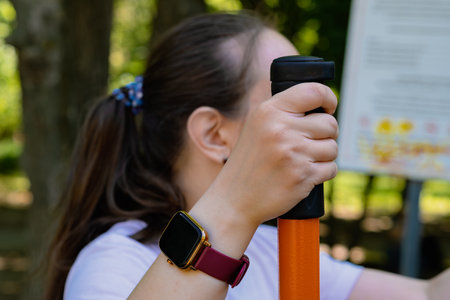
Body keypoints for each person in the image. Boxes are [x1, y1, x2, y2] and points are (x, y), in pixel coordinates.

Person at [44, 12, 449, 300]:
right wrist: (235, 202)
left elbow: (429, 295)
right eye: (283, 98)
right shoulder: (115, 263)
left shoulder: (268, 248)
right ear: (214, 134)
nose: (315, 123)